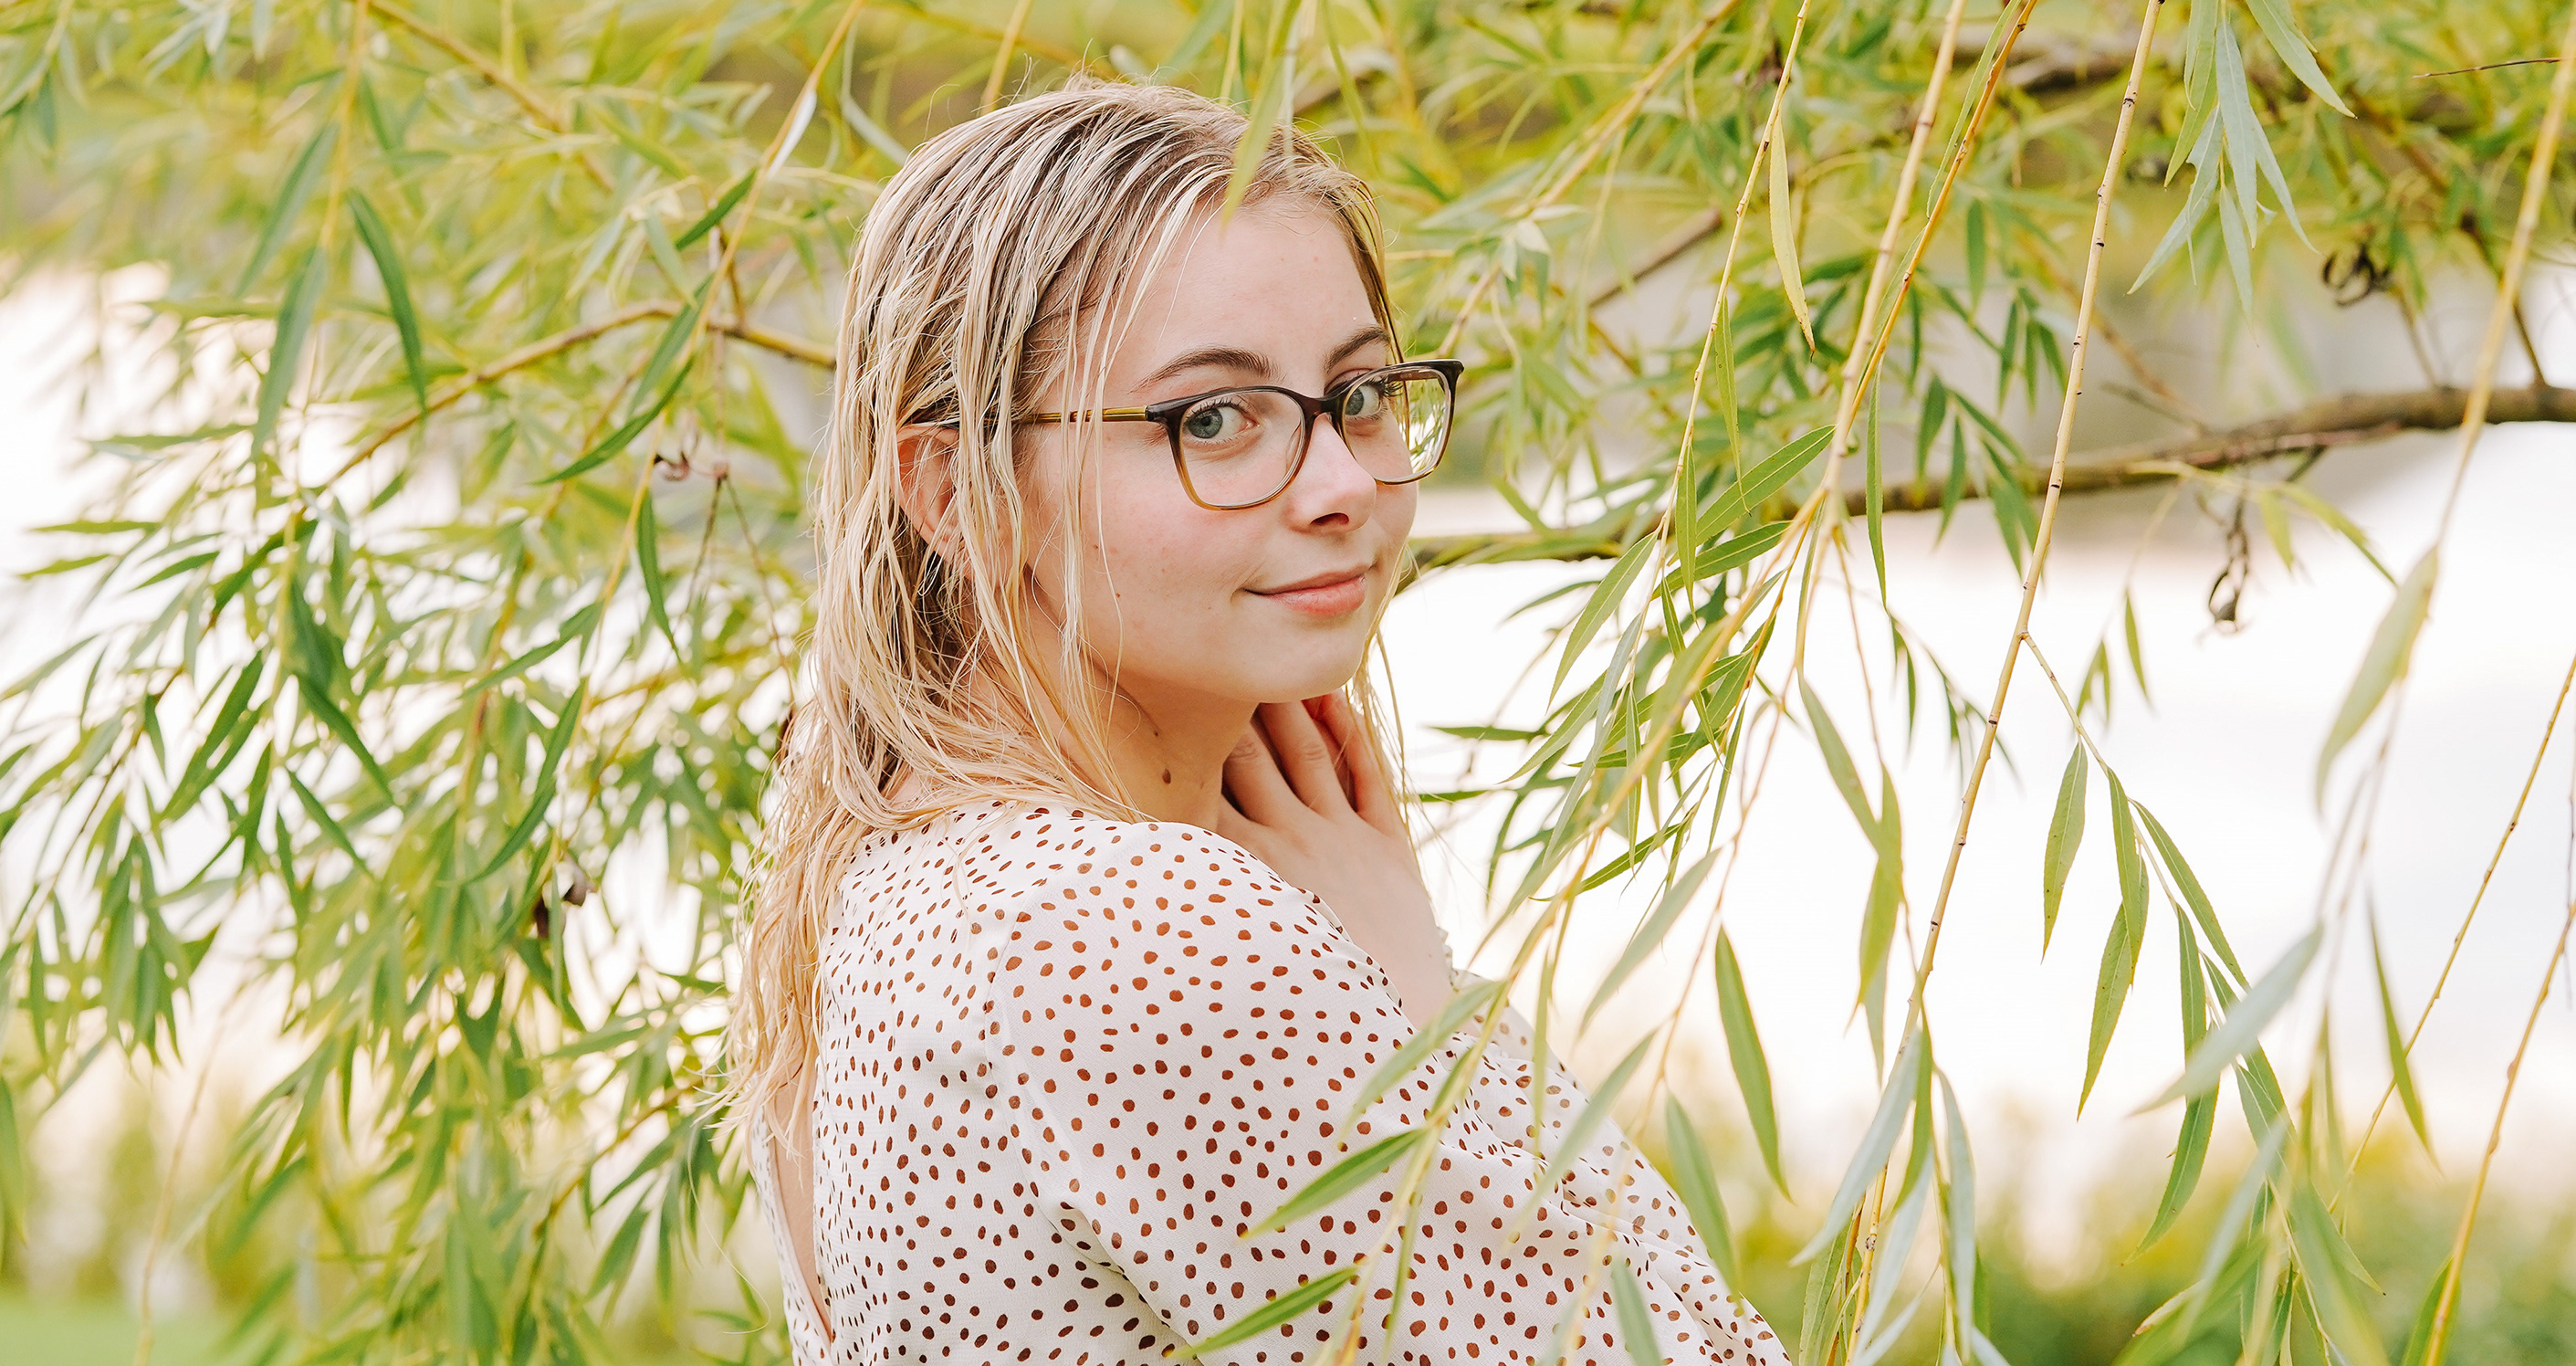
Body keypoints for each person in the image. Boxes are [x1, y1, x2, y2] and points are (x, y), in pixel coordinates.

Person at [725, 81, 1788, 1364]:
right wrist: (1423, 1002)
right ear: (961, 491)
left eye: (1360, 393)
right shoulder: (1135, 936)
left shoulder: (883, 879)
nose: (1344, 484)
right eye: (1213, 420)